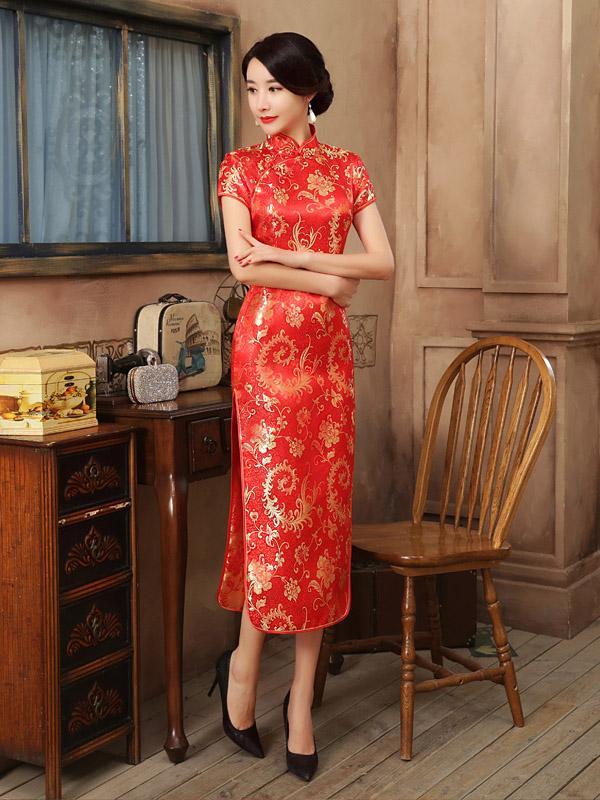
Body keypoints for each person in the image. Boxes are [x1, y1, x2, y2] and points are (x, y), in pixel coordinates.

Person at [209, 31, 394, 782]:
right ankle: (245, 670)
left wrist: (295, 257)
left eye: (275, 89)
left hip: (326, 369)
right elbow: (241, 266)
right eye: (252, 88)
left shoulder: (347, 167)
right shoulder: (239, 167)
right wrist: (333, 278)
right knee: (272, 522)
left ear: (310, 90)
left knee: (318, 524)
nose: (261, 102)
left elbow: (382, 264)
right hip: (263, 363)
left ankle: (299, 705)